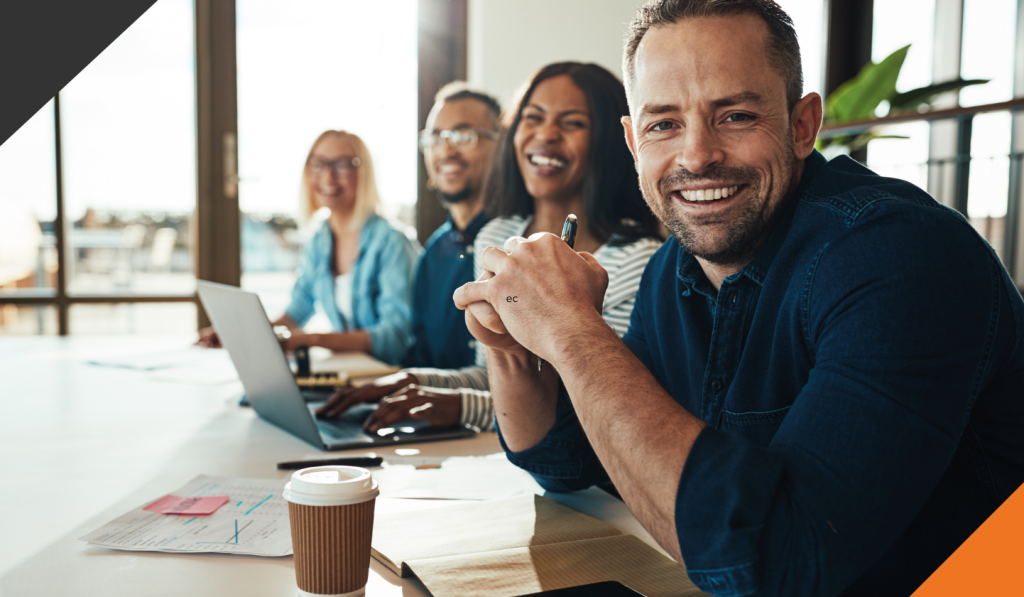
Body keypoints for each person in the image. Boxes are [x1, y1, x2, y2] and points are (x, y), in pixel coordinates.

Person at [453, 2, 1024, 596]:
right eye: (663, 124)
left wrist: (573, 330)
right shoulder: (674, 266)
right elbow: (573, 464)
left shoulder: (902, 256)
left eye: (736, 115)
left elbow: (776, 556)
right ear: (632, 140)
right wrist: (512, 340)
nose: (696, 155)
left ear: (802, 126)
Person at [317, 62, 664, 433]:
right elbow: (494, 375)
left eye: (572, 122)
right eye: (533, 118)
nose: (546, 134)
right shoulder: (496, 236)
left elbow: (600, 402)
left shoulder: (637, 260)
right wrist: (411, 381)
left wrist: (462, 407)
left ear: (611, 141)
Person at [198, 130, 419, 365]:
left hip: (397, 379)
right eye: (318, 164)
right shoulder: (319, 240)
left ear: (364, 173)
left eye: (342, 164)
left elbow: (394, 338)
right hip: (355, 374)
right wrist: (242, 334)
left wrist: (309, 340)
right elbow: (297, 311)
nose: (327, 176)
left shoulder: (392, 243)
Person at [401, 82, 500, 370]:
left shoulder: (521, 240)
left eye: (462, 135)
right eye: (434, 139)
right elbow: (421, 356)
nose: (445, 150)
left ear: (503, 145)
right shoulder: (432, 255)